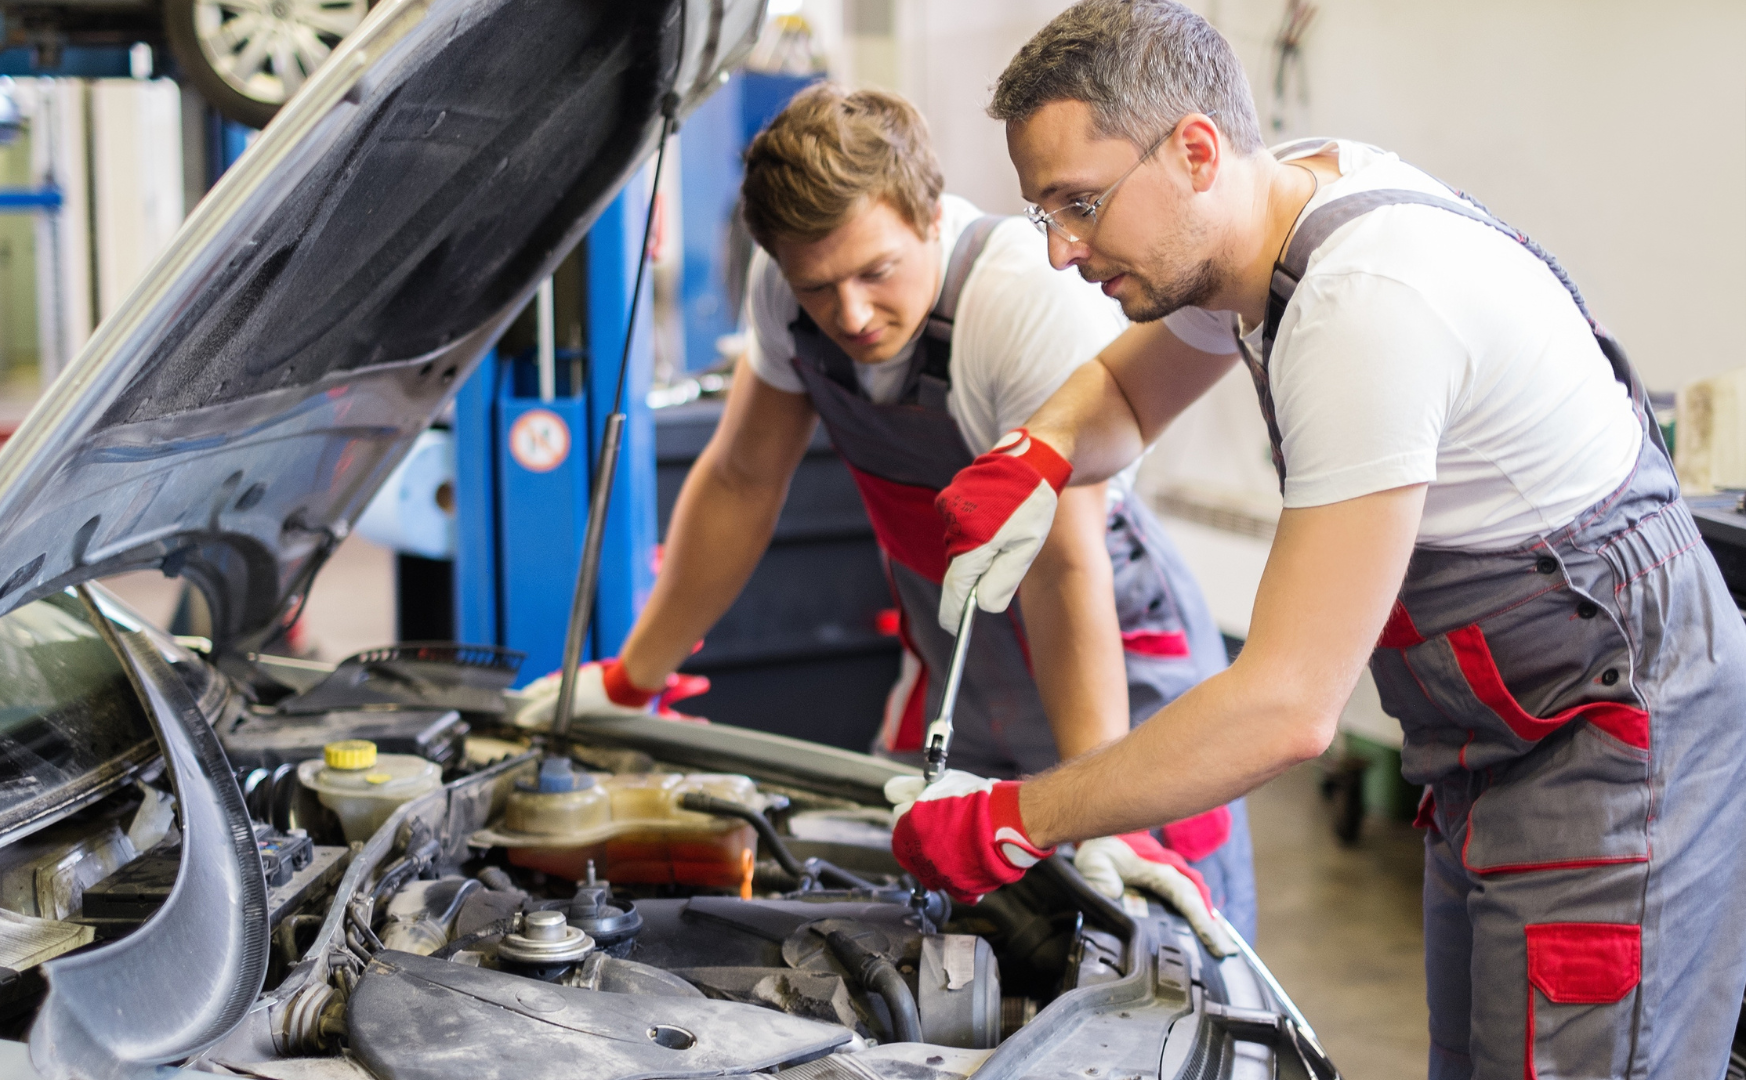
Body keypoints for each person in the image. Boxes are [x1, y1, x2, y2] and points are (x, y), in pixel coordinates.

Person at [886, 1, 1746, 1076]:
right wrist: (1040, 449)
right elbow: (1129, 391)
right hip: (1495, 748)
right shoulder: (1266, 213)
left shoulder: (1360, 306)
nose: (1061, 251)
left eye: (1081, 204)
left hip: (1614, 751)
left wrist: (1018, 817)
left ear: (1197, 150)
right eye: (1042, 212)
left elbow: (1287, 708)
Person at [515, 83, 1255, 939]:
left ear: (931, 215)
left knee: (1159, 937)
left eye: (876, 272)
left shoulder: (1017, 303)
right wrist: (633, 679)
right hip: (955, 653)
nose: (852, 314)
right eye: (819, 286)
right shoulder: (787, 293)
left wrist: (1102, 804)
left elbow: (1062, 565)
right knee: (909, 910)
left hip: (1110, 655)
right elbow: (742, 481)